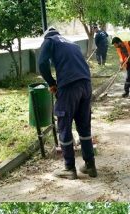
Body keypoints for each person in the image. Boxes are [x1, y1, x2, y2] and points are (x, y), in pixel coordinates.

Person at [38, 27, 97, 180]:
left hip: (69, 87)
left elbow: (42, 63)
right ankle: (90, 165)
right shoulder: (72, 43)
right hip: (86, 85)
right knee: (84, 127)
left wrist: (51, 83)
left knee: (64, 126)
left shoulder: (49, 40)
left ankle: (69, 168)